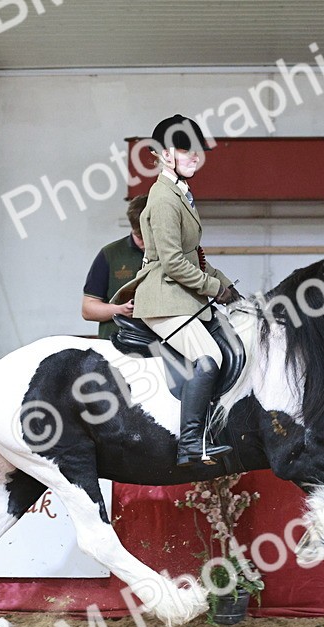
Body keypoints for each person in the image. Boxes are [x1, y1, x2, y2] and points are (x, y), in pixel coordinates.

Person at [115, 114, 240, 467]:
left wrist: (226, 284)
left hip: (181, 294)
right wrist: (214, 288)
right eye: (187, 151)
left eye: (197, 150)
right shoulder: (164, 198)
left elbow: (192, 256)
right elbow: (172, 263)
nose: (196, 157)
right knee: (209, 357)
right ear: (166, 155)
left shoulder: (179, 192)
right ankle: (190, 443)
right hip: (163, 298)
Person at [81, 195, 148, 339]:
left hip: (159, 345)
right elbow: (88, 309)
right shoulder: (110, 254)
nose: (145, 243)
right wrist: (120, 310)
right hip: (115, 345)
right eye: (140, 237)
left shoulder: (172, 254)